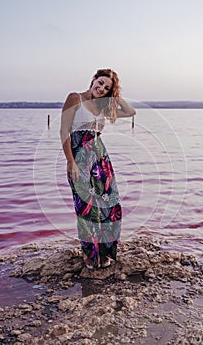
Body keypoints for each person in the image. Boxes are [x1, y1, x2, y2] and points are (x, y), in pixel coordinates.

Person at [60, 68, 136, 270]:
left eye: (107, 87)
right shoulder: (74, 98)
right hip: (79, 157)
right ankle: (89, 256)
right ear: (93, 79)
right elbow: (64, 131)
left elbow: (130, 112)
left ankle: (104, 252)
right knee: (86, 207)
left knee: (109, 205)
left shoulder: (103, 107)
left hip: (100, 159)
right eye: (100, 83)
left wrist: (115, 96)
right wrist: (70, 161)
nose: (101, 88)